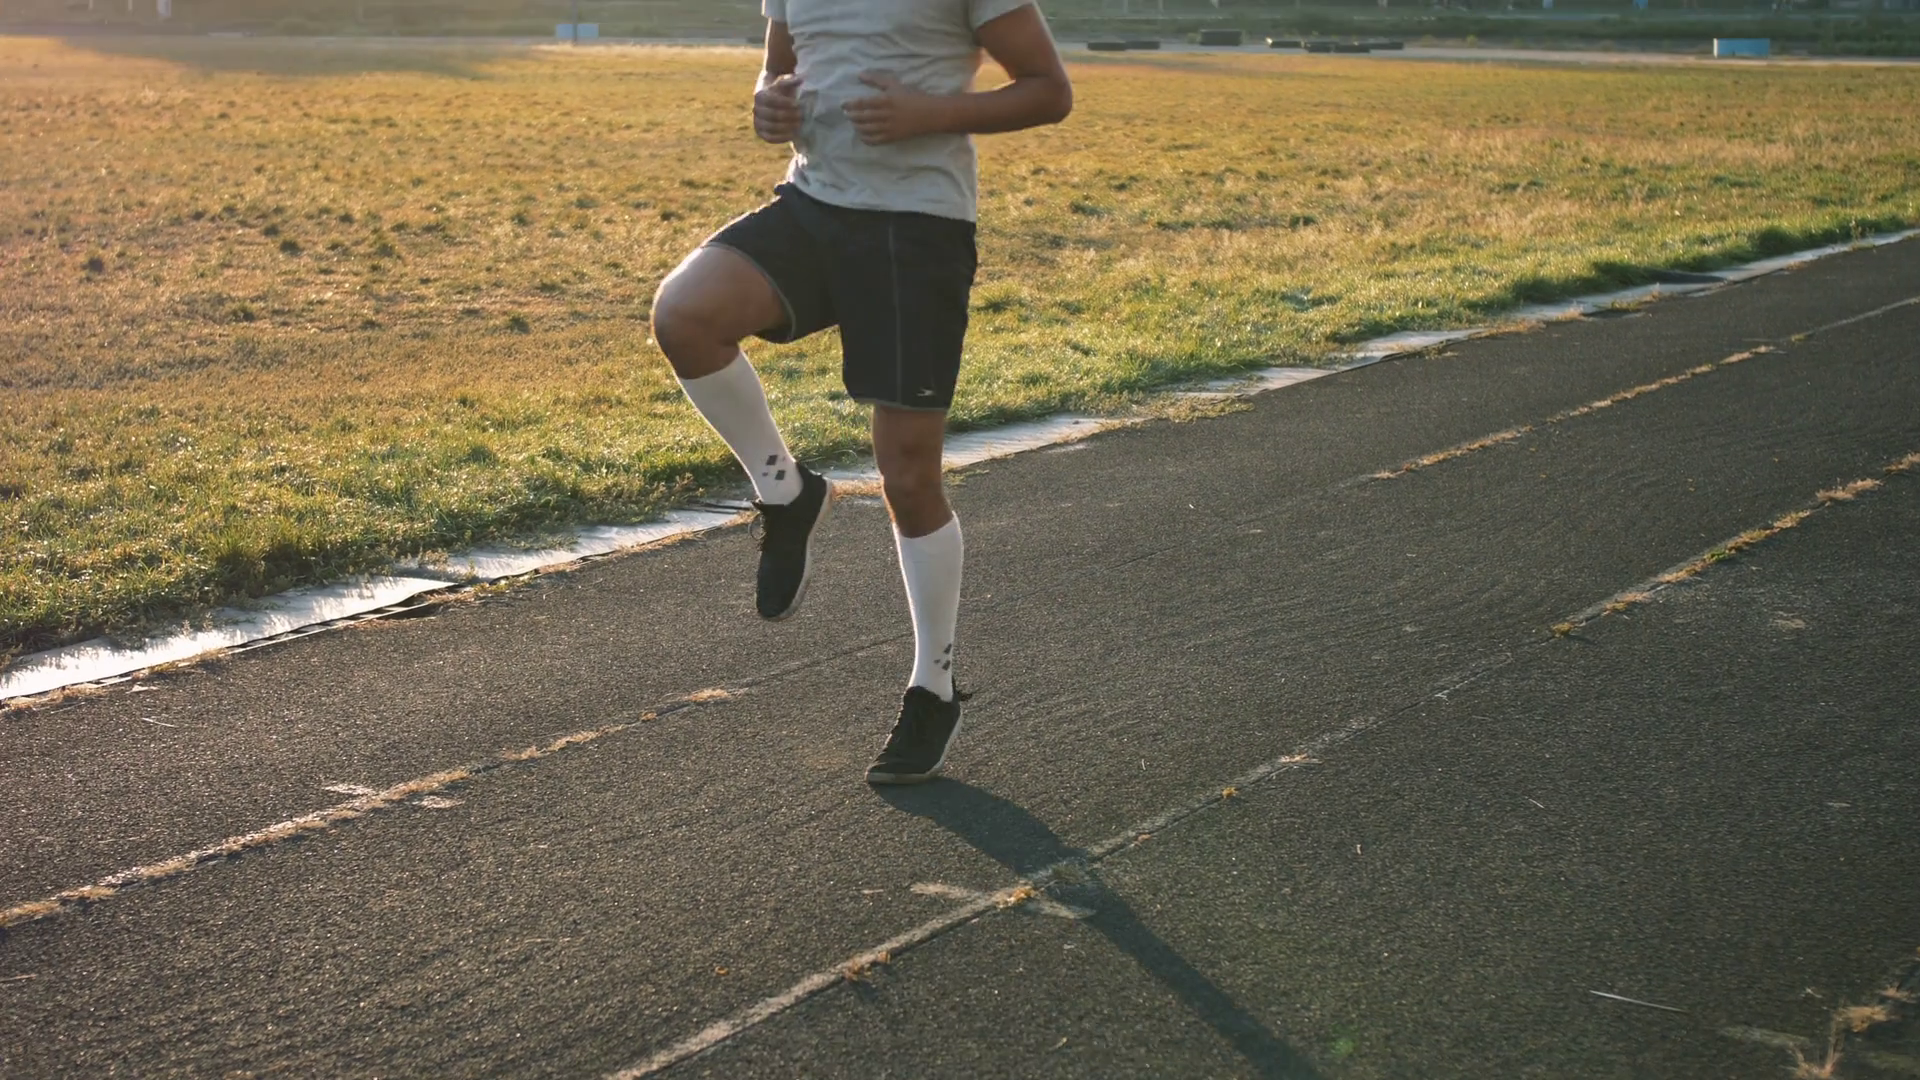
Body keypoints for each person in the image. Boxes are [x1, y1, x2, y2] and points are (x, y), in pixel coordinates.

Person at [649, 1, 1072, 784]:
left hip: (918, 230)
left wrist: (931, 113)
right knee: (685, 314)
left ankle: (933, 687)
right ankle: (787, 492)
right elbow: (779, 71)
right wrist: (768, 105)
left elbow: (1049, 90)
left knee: (908, 476)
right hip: (813, 208)